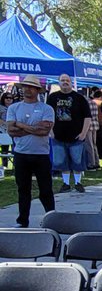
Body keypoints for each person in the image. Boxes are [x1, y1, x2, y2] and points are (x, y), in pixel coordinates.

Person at [6, 74, 55, 227]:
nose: (28, 90)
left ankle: (51, 219)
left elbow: (44, 131)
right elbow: (11, 130)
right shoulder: (14, 107)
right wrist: (32, 127)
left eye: (31, 87)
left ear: (37, 90)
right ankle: (22, 220)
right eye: (25, 87)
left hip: (41, 154)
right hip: (21, 153)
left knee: (46, 189)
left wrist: (21, 124)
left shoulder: (46, 108)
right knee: (23, 189)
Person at [47, 73, 91, 193]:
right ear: (59, 82)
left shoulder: (79, 98)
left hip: (76, 136)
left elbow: (87, 117)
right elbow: (47, 116)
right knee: (61, 161)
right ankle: (65, 184)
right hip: (58, 136)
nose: (65, 82)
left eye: (67, 80)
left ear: (71, 82)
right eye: (62, 80)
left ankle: (78, 183)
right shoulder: (52, 98)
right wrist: (50, 131)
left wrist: (83, 133)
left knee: (77, 161)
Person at [83, 86, 101, 170]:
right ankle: (96, 163)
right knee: (94, 144)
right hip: (95, 124)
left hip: (88, 125)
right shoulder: (94, 102)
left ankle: (91, 164)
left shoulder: (86, 102)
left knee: (89, 145)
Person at [0, 88, 17, 172]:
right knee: (4, 148)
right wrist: (4, 123)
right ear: (3, 99)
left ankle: (15, 166)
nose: (9, 99)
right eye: (7, 98)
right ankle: (4, 165)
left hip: (14, 130)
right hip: (2, 130)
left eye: (11, 98)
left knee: (15, 148)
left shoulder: (15, 107)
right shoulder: (0, 107)